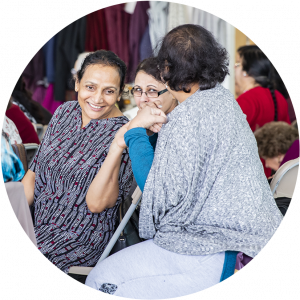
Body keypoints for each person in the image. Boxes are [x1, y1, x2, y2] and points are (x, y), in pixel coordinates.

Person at [85, 25, 283, 298]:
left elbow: (159, 195)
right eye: (138, 90)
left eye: (150, 90)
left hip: (217, 248)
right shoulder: (224, 100)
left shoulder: (187, 118)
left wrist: (134, 134)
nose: (143, 97)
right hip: (254, 236)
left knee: (103, 280)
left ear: (166, 71)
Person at [20, 50, 133, 283]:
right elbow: (33, 175)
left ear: (120, 93)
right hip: (38, 225)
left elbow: (98, 204)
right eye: (90, 87)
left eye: (109, 91)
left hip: (81, 238)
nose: (98, 98)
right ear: (77, 83)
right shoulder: (64, 113)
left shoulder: (126, 137)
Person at [235, 45, 291, 177]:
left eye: (237, 64)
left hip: (249, 173)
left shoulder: (246, 101)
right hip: (274, 172)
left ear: (247, 72)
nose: (234, 68)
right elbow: (288, 139)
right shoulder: (279, 97)